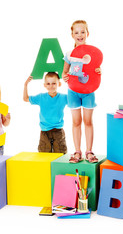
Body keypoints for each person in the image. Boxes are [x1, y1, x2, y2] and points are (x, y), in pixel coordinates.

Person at [62, 20, 101, 163]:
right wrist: (65, 76)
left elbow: (96, 70)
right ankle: (77, 152)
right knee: (76, 122)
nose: (80, 35)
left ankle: (89, 152)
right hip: (73, 91)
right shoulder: (69, 54)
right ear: (72, 35)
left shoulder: (93, 54)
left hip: (89, 90)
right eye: (76, 32)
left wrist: (98, 71)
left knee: (88, 121)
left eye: (82, 32)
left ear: (87, 33)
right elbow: (65, 72)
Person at [23, 72, 68, 154]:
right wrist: (25, 85)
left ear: (59, 84)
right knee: (44, 154)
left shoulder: (64, 97)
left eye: (54, 83)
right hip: (44, 131)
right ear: (45, 85)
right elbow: (25, 99)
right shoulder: (41, 97)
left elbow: (75, 99)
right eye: (48, 83)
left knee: (61, 153)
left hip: (58, 131)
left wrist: (70, 82)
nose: (51, 86)